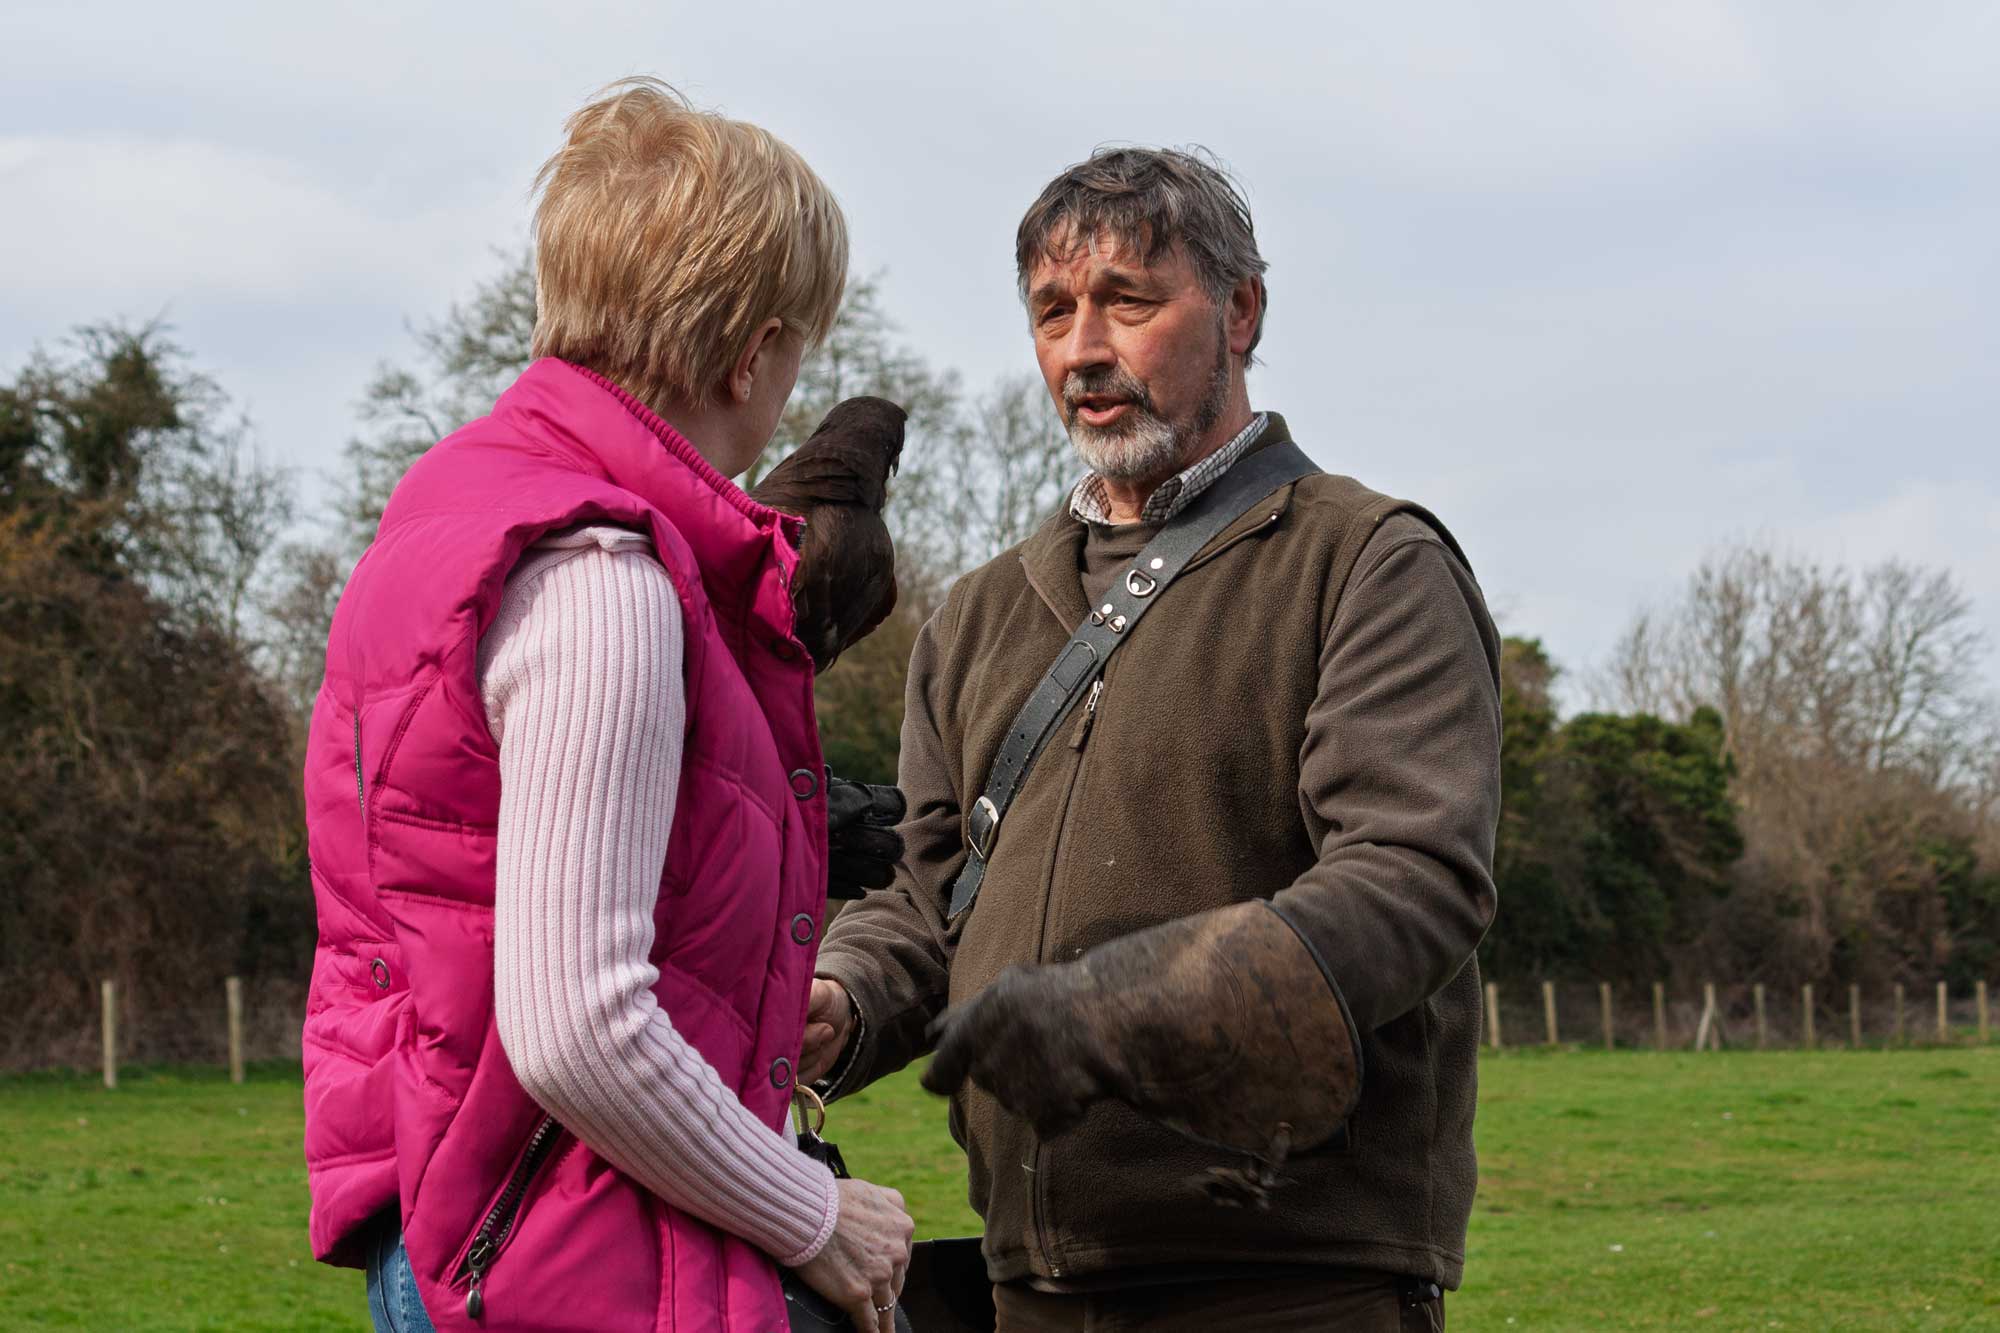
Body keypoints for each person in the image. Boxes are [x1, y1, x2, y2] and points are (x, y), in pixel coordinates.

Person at [801, 147, 1502, 1331]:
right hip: (1035, 1279)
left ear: (1239, 309)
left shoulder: (1366, 562)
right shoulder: (977, 614)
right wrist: (839, 997)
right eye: (1051, 311)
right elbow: (927, 906)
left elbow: (1409, 883)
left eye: (1128, 300)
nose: (1083, 349)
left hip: (1288, 1281)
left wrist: (1118, 1010)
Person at [301, 79, 914, 1333]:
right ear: (751, 353)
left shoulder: (448, 520)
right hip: (561, 1242)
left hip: (453, 1211)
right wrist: (815, 1214)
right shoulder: (600, 576)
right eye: (800, 348)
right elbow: (577, 1026)